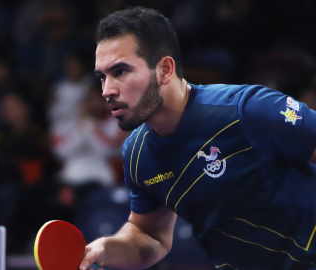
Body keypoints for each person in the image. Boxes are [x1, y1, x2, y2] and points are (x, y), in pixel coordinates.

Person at [80, 7, 316, 270]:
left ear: (165, 69)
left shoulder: (247, 110)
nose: (106, 91)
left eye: (120, 72)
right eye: (102, 77)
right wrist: (104, 249)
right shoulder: (136, 155)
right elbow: (150, 236)